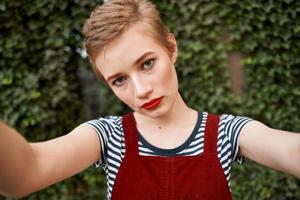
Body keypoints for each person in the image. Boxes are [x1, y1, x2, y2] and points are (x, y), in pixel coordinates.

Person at [0, 0, 299, 199]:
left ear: (170, 48)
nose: (141, 90)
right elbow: (28, 171)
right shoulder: (108, 137)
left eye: (147, 63)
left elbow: (289, 150)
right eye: (119, 80)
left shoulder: (228, 133)